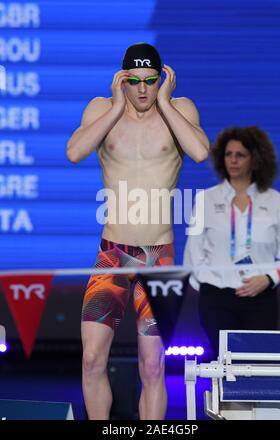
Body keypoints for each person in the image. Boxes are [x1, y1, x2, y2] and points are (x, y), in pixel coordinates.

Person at [66, 42, 209, 420]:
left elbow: (199, 152)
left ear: (162, 79)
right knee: (92, 359)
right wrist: (115, 108)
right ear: (122, 79)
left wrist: (165, 101)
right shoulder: (101, 108)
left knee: (153, 367)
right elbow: (74, 152)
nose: (143, 89)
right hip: (112, 254)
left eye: (151, 80)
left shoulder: (180, 109)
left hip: (158, 259)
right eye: (136, 81)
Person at [184, 126, 280, 359]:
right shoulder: (205, 199)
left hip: (260, 298)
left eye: (241, 155)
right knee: (221, 366)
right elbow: (193, 253)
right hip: (216, 298)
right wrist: (211, 284)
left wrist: (268, 279)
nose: (233, 161)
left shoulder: (275, 201)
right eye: (228, 154)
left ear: (255, 159)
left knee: (255, 366)